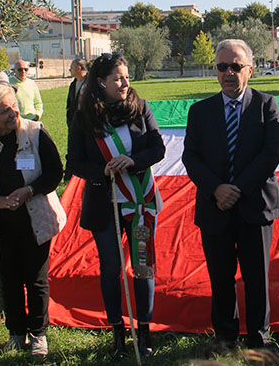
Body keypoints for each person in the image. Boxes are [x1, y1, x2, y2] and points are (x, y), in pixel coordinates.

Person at [182, 39, 279, 352]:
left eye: (236, 66)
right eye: (222, 66)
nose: (229, 73)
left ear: (250, 70)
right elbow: (191, 157)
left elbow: (271, 154)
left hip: (255, 206)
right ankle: (225, 337)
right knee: (221, 278)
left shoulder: (267, 105)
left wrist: (235, 189)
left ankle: (259, 338)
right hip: (215, 208)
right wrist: (217, 189)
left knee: (257, 278)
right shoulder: (199, 111)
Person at [68, 52, 165, 360]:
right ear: (101, 82)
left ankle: (145, 332)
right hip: (104, 203)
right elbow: (74, 162)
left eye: (126, 77)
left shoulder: (140, 107)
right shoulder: (84, 117)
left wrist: (134, 160)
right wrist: (104, 171)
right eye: (117, 79)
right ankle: (118, 334)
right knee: (111, 268)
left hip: (139, 203)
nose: (124, 83)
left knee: (142, 267)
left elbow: (157, 147)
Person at [0, 83, 66, 361]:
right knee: (9, 280)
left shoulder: (35, 133)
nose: (13, 113)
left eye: (14, 106)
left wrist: (29, 191)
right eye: (4, 110)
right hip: (1, 223)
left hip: (35, 219)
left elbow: (56, 172)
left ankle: (38, 334)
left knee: (36, 280)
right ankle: (15, 333)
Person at [64, 57, 87, 180]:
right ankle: (69, 174)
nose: (69, 70)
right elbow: (70, 102)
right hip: (73, 122)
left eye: (71, 68)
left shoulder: (90, 82)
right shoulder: (73, 84)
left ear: (78, 68)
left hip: (87, 122)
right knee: (72, 147)